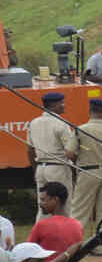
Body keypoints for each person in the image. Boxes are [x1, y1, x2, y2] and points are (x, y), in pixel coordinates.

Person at [69, 98, 102, 240]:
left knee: (80, 210)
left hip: (87, 171)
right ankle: (101, 245)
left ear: (90, 111)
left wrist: (78, 161)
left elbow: (69, 153)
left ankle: (72, 243)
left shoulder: (80, 129)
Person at [26, 93, 77, 221]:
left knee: (43, 206)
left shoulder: (34, 123)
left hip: (41, 169)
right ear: (54, 105)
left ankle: (39, 237)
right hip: (58, 169)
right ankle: (65, 236)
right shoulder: (61, 123)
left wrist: (35, 169)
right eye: (62, 103)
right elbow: (69, 151)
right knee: (63, 206)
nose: (64, 106)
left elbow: (30, 150)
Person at [28, 183, 83, 262]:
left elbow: (27, 254)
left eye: (43, 200)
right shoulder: (77, 225)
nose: (40, 203)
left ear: (55, 200)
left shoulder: (41, 225)